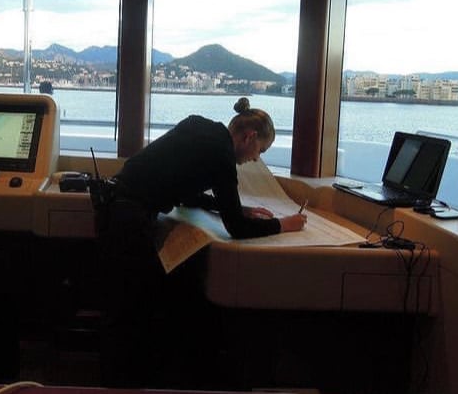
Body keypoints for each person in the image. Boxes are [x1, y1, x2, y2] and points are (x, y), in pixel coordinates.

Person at [93, 97, 306, 387]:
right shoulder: (221, 154)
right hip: (130, 217)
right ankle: (121, 384)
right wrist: (284, 224)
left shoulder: (199, 127)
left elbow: (186, 191)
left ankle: (117, 379)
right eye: (260, 150)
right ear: (249, 137)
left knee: (124, 307)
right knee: (132, 310)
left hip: (115, 207)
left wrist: (237, 208)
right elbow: (237, 229)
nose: (256, 158)